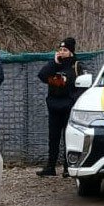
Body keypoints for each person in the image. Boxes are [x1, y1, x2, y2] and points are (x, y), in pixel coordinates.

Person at [36, 37, 83, 177]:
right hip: (54, 106)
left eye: (65, 50)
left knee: (68, 137)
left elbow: (67, 82)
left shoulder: (76, 65)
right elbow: (42, 75)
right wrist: (54, 64)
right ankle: (51, 166)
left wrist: (54, 81)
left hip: (68, 106)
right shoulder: (54, 65)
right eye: (60, 50)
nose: (62, 52)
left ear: (71, 52)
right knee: (53, 137)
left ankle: (68, 166)